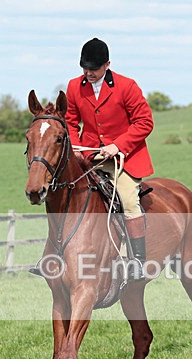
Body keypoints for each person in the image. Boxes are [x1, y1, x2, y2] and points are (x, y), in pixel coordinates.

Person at [65, 37, 154, 280]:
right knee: (65, 193)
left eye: (93, 69)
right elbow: (71, 122)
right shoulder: (74, 87)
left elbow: (145, 122)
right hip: (89, 156)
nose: (88, 73)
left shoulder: (127, 86)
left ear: (107, 65)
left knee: (127, 198)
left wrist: (118, 145)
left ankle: (137, 261)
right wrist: (78, 149)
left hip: (125, 157)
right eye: (84, 68)